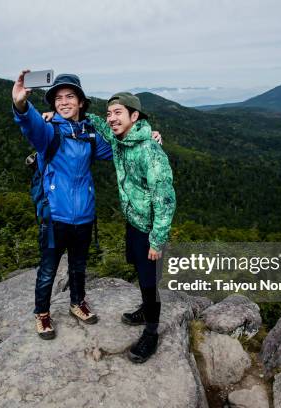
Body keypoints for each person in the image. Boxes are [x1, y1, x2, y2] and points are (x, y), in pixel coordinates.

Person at [12, 71, 161, 340]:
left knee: (79, 265)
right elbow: (31, 125)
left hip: (84, 215)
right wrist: (22, 105)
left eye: (70, 96)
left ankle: (77, 302)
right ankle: (42, 313)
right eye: (58, 98)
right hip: (55, 214)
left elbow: (121, 147)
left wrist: (147, 136)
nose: (64, 102)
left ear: (81, 102)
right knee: (48, 268)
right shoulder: (49, 132)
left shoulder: (90, 134)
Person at [87, 92, 176, 363]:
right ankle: (144, 310)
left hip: (150, 229)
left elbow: (165, 199)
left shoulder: (150, 151)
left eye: (118, 113)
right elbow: (98, 123)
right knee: (139, 270)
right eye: (110, 113)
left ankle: (151, 331)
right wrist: (60, 114)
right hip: (134, 221)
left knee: (149, 280)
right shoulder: (118, 139)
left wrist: (157, 241)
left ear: (134, 117)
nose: (111, 119)